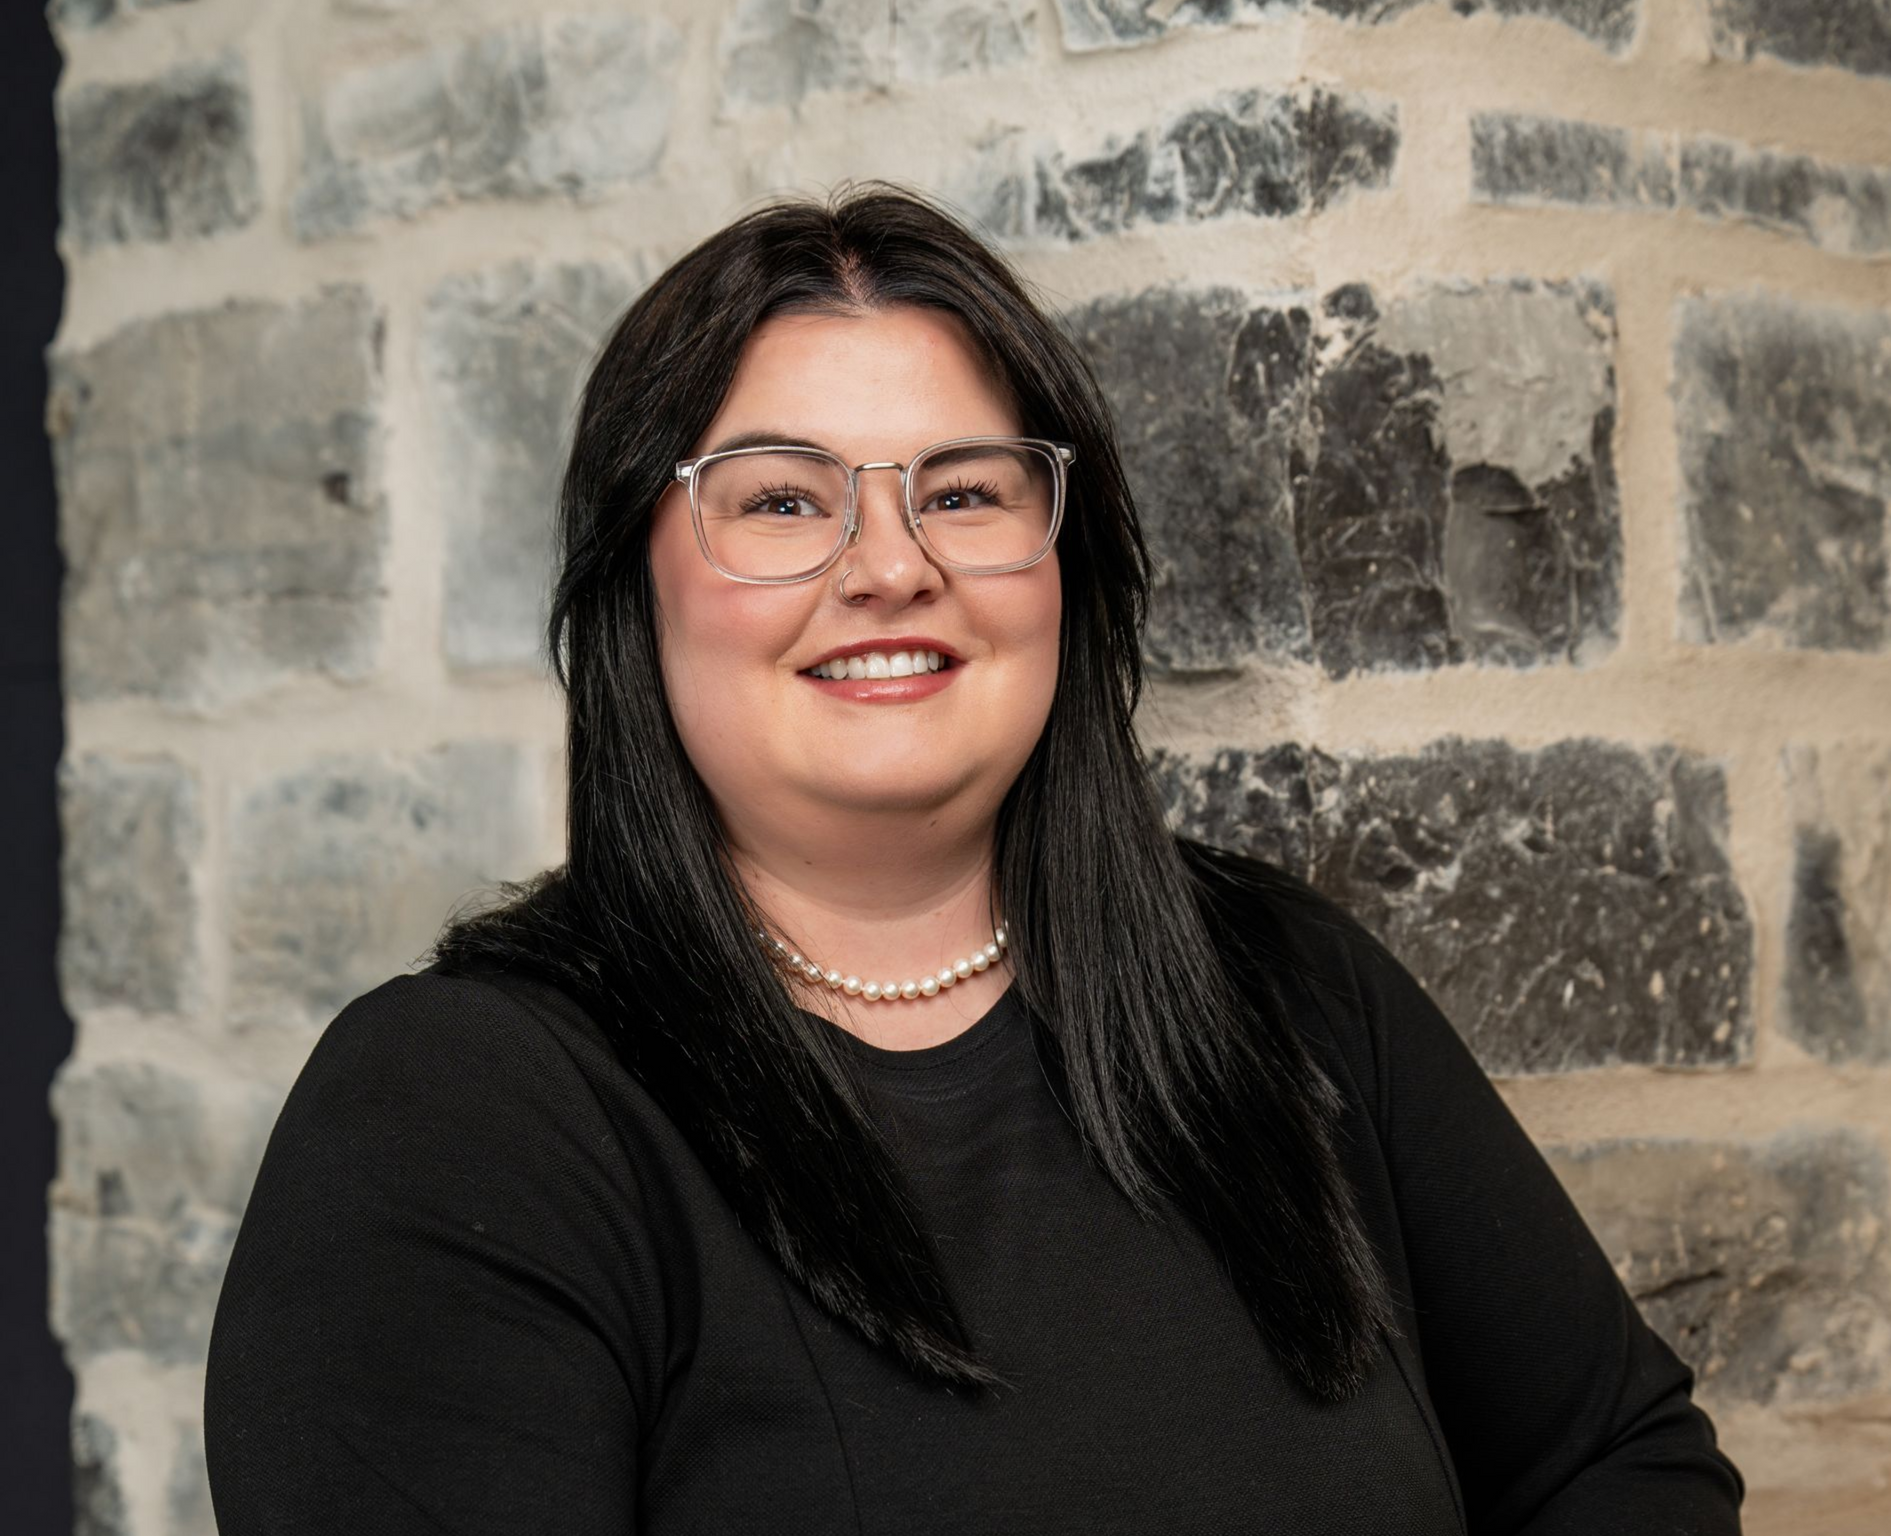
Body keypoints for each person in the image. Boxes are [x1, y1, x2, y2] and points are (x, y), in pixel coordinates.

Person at [203, 183, 1746, 1534]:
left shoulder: (1282, 989)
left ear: (1065, 567)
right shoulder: (462, 1115)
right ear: (636, 589)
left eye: (964, 492)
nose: (891, 566)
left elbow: (1619, 1462)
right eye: (785, 500)